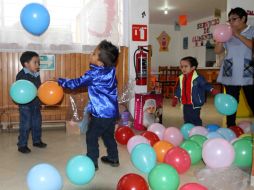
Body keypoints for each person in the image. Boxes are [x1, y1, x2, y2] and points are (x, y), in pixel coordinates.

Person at [58, 40, 119, 170]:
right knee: (108, 135)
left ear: (100, 62)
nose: (91, 54)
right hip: (112, 113)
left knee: (91, 136)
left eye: (94, 53)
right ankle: (114, 158)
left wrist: (59, 81)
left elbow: (74, 84)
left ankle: (92, 162)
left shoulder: (93, 74)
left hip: (100, 114)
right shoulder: (111, 71)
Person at [214, 7, 254, 127]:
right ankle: (231, 127)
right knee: (231, 102)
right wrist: (220, 40)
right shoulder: (228, 33)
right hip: (229, 71)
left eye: (234, 19)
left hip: (247, 71)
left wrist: (238, 35)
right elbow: (218, 51)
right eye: (229, 20)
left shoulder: (251, 30)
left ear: (243, 19)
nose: (231, 22)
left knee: (252, 100)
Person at [172, 56, 219, 126]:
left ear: (193, 67)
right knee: (186, 118)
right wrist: (176, 96)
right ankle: (188, 130)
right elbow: (179, 88)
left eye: (185, 66)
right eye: (181, 67)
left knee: (195, 118)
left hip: (195, 102)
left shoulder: (198, 78)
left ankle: (198, 130)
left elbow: (205, 85)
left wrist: (212, 89)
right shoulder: (181, 77)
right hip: (185, 102)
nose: (183, 68)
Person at [16, 51, 47, 154]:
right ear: (26, 64)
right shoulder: (21, 75)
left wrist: (41, 101)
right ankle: (22, 144)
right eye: (35, 62)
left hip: (36, 104)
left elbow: (39, 89)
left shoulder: (36, 74)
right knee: (26, 124)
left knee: (37, 123)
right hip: (25, 105)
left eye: (38, 62)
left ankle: (37, 141)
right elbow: (20, 91)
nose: (38, 65)